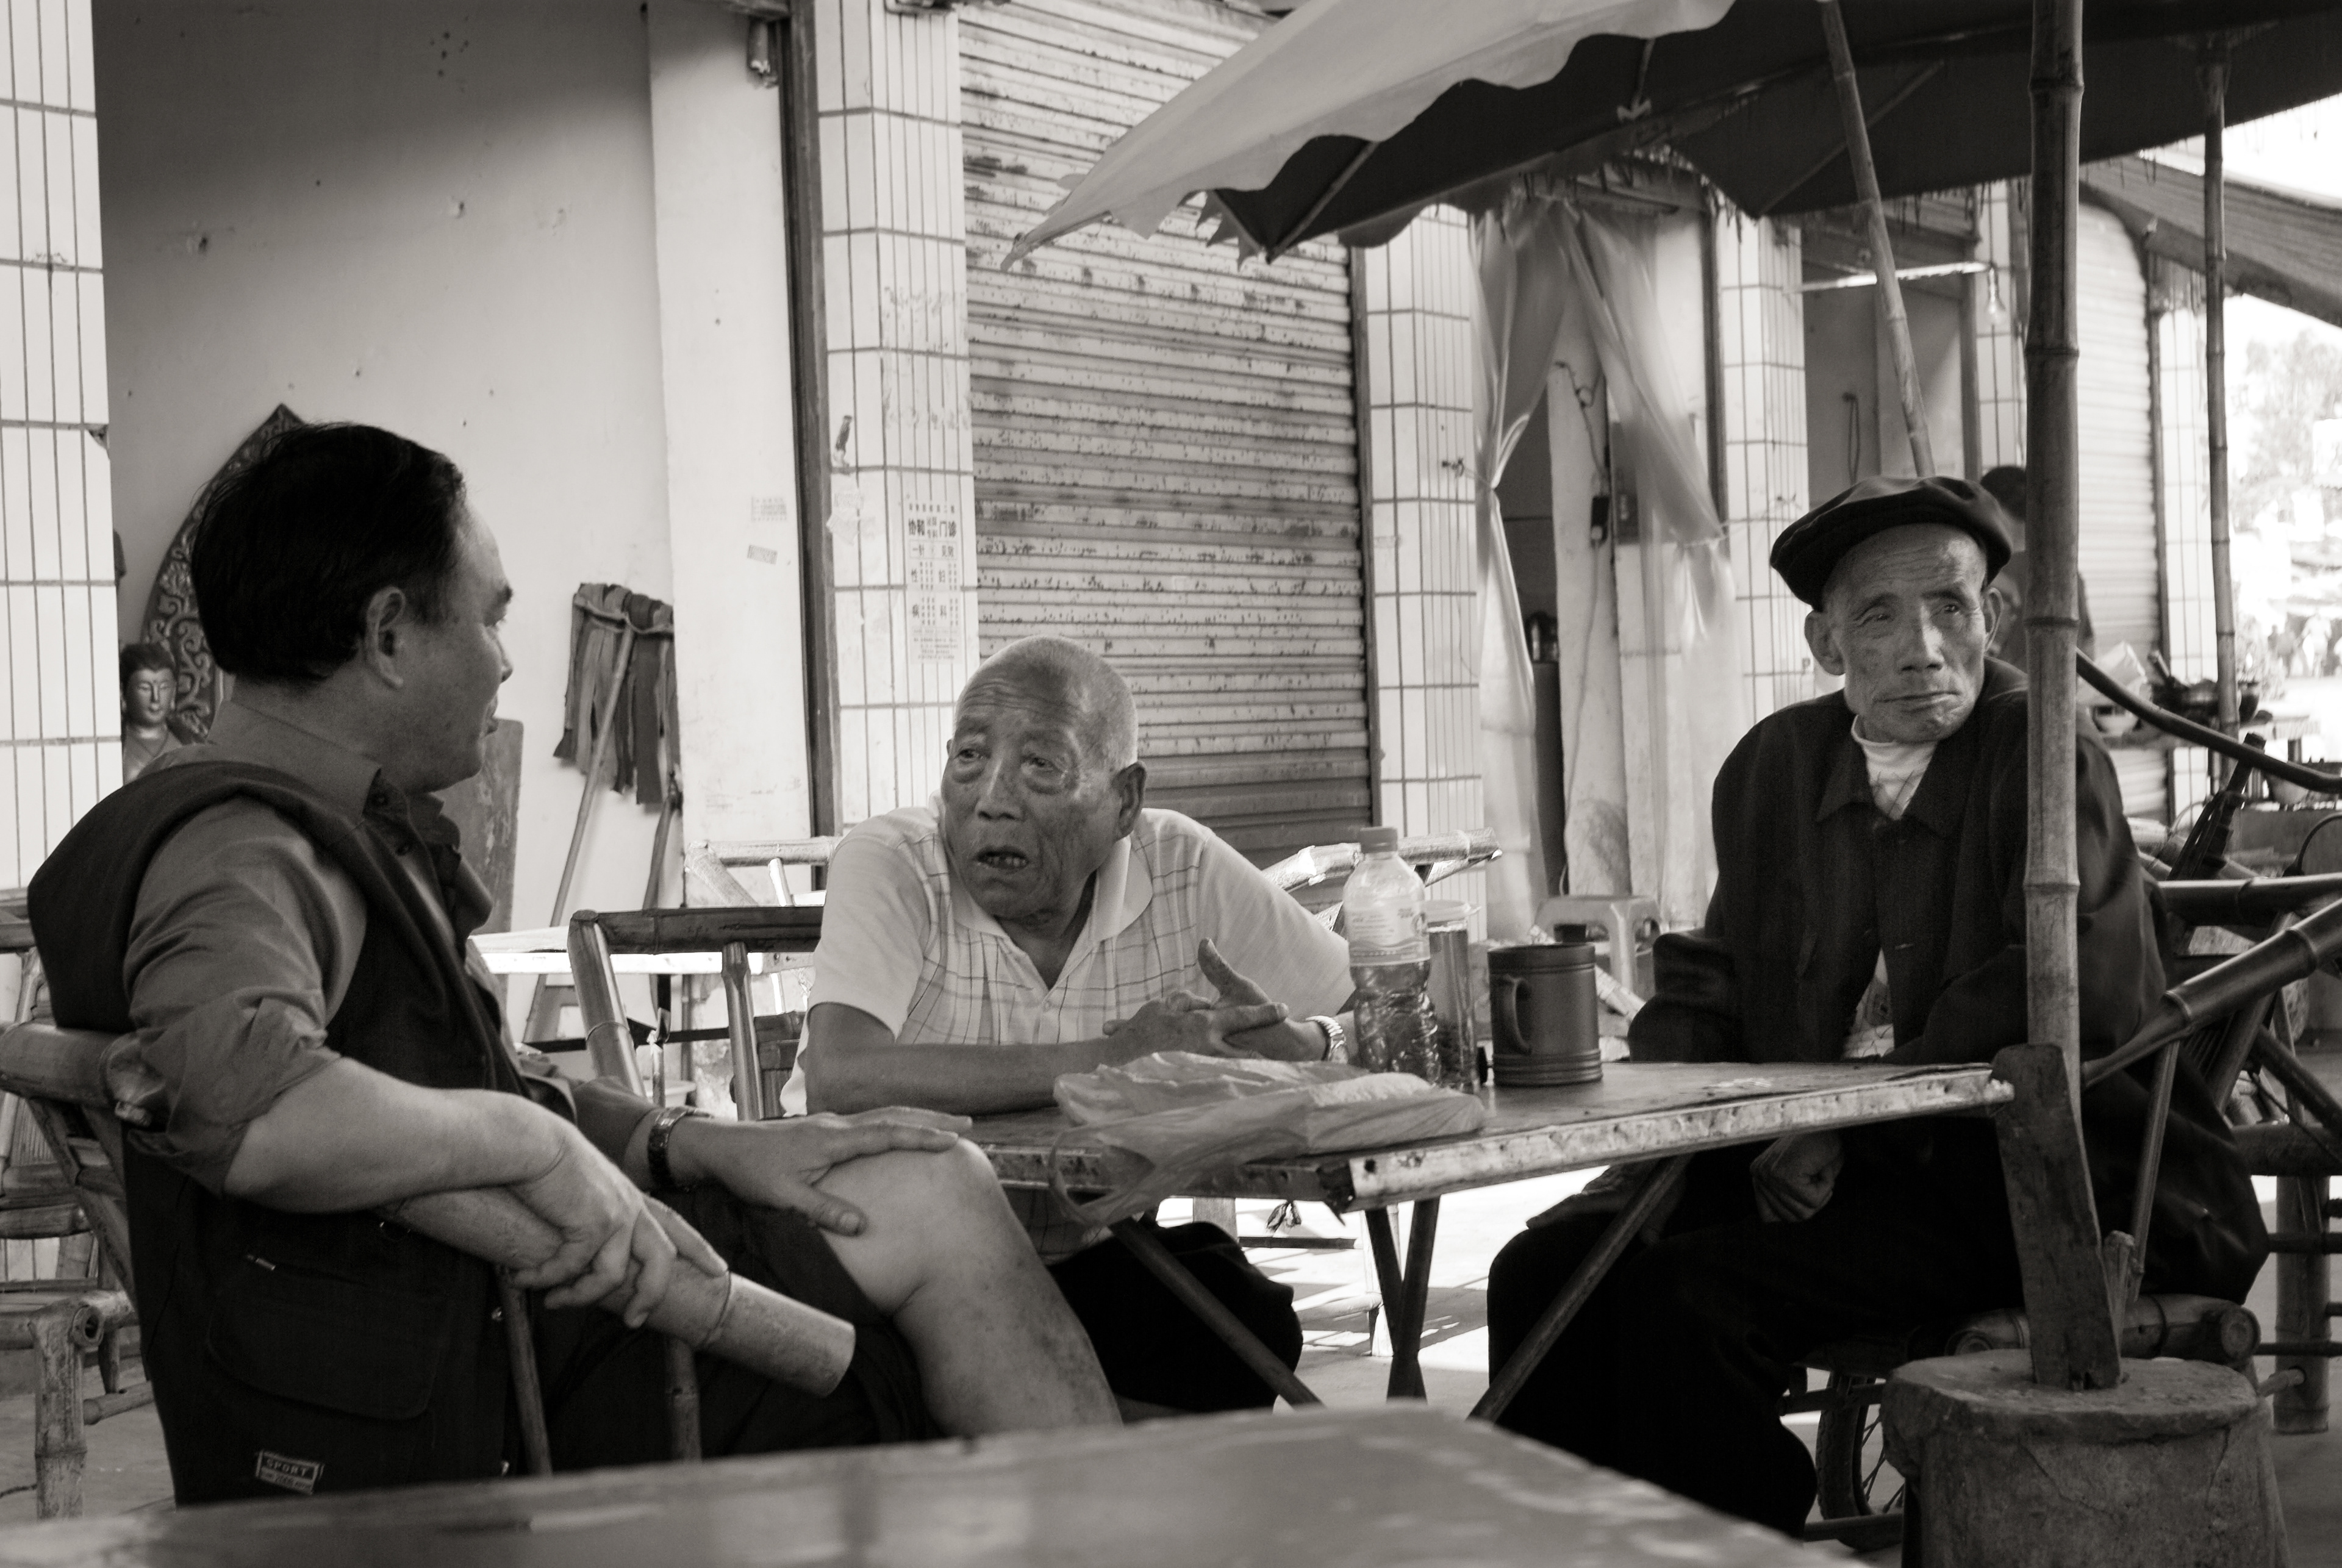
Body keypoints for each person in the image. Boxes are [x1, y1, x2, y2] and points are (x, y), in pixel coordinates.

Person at [29, 424, 1117, 1506]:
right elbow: (254, 1111)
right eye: (492, 617)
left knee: (908, 1199)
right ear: (388, 635)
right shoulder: (244, 850)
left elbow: (467, 1077)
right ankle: (1116, 1529)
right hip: (480, 1382)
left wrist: (689, 1142)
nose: (506, 661)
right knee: (938, 1194)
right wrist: (534, 1142)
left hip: (469, 1321)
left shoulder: (281, 818)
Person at [1481, 474, 2267, 1536]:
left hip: (2018, 1180)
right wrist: (1669, 1114)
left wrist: (1843, 1119)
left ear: (1993, 618)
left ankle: (1731, 1540)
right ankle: (1579, 1545)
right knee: (1542, 1271)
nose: (1924, 649)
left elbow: (2070, 986)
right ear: (1826, 642)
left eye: (1951, 608)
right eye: (1881, 617)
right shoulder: (1773, 766)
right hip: (1801, 1158)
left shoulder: (2042, 751)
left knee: (1689, 1303)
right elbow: (1717, 968)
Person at [797, 635, 1356, 1414]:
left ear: (1124, 801)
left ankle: (1116, 1479)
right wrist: (1115, 1055)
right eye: (969, 759)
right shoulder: (894, 861)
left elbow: (1382, 1005)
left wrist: (1310, 1043)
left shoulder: (1181, 866)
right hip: (884, 1266)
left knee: (1236, 1320)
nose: (992, 799)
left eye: (1040, 767)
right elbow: (843, 1075)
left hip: (1085, 1255)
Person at [1978, 464, 2095, 664]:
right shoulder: (2071, 576)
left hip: (2009, 684)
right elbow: (2089, 651)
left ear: (1993, 507)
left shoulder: (1998, 577)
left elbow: (1982, 660)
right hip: (2065, 684)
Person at [118, 642, 185, 780]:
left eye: (164, 687)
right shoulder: (115, 746)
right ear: (123, 693)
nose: (156, 698)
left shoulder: (188, 742)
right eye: (145, 688)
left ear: (174, 692)